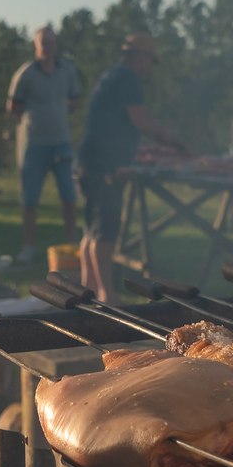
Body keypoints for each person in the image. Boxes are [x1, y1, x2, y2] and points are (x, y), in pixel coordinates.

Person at [75, 32, 188, 303]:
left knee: (92, 230)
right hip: (105, 166)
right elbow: (141, 120)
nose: (149, 68)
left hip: (89, 162)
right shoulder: (127, 78)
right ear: (138, 56)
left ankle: (87, 291)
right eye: (149, 61)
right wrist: (174, 142)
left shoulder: (112, 75)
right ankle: (107, 296)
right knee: (104, 233)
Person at [6, 26, 83, 264]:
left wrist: (56, 114)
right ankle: (28, 247)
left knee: (69, 195)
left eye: (51, 42)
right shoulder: (25, 74)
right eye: (43, 43)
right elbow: (13, 107)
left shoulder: (67, 70)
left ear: (56, 45)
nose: (48, 47)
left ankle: (72, 244)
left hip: (62, 143)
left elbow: (75, 99)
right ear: (35, 46)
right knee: (30, 199)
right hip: (33, 145)